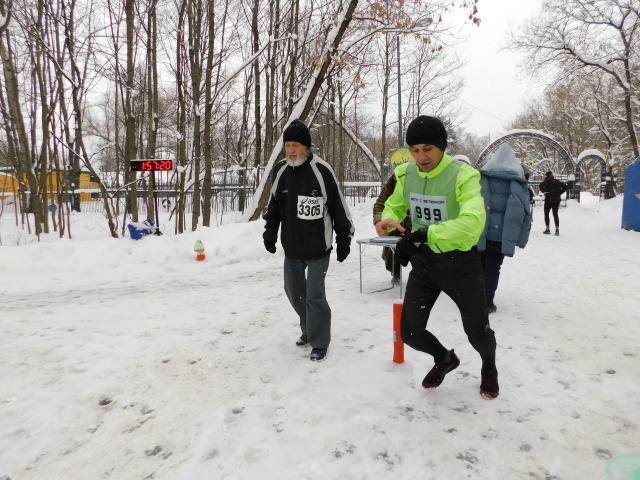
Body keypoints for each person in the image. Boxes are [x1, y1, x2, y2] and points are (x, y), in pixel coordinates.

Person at [376, 115, 499, 399]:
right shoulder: (406, 173)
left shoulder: (463, 175)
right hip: (425, 263)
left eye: (428, 149)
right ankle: (444, 359)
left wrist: (425, 234)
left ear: (442, 147)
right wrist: (388, 218)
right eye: (415, 150)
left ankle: (489, 366)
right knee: (410, 333)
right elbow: (395, 204)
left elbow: (472, 223)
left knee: (477, 332)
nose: (421, 157)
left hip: (461, 265)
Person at [263, 119, 355, 362]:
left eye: (296, 145)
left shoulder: (322, 171)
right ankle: (309, 328)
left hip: (318, 248)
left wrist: (344, 239)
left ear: (306, 146)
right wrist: (270, 232)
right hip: (292, 248)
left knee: (314, 295)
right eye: (288, 145)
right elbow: (274, 206)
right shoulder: (280, 170)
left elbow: (339, 208)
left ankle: (320, 341)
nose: (291, 150)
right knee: (294, 293)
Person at [477, 144, 532, 314]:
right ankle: (487, 303)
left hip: (480, 232)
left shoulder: (482, 178)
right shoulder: (517, 182)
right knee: (493, 268)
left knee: (479, 266)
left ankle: (475, 299)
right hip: (500, 236)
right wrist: (521, 238)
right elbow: (523, 212)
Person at [373, 173, 412, 285]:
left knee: (422, 257)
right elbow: (380, 204)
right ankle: (396, 274)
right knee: (394, 252)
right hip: (395, 228)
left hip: (417, 228)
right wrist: (379, 221)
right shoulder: (392, 183)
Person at [539, 171, 567, 235]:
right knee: (555, 214)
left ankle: (547, 229)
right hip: (556, 200)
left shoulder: (546, 182)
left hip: (548, 200)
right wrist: (559, 193)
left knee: (546, 214)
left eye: (545, 175)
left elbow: (540, 185)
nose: (544, 176)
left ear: (547, 176)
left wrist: (544, 191)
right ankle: (557, 230)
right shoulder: (557, 181)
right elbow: (565, 187)